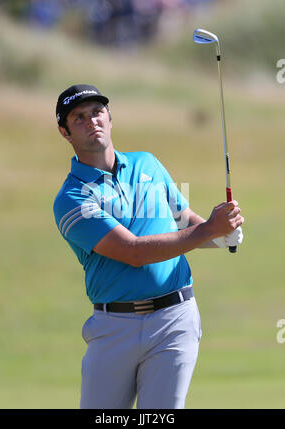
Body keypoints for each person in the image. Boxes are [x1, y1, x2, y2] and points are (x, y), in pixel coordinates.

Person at [53, 84, 244, 409]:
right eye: (79, 118)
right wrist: (209, 229)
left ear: (110, 118)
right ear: (65, 132)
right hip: (115, 327)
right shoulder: (72, 197)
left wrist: (223, 234)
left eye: (97, 112)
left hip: (175, 318)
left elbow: (184, 223)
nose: (92, 121)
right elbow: (133, 252)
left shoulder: (148, 165)